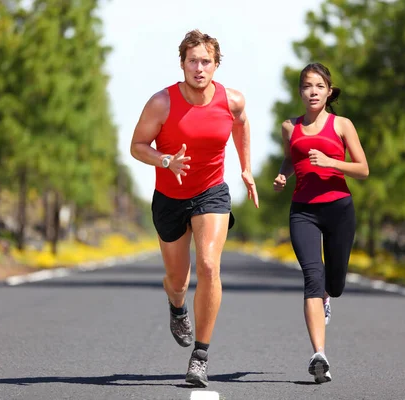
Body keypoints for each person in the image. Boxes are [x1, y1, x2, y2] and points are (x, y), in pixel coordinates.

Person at [130, 29, 259, 388]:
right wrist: (165, 159)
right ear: (182, 64)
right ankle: (176, 306)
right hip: (170, 198)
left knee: (208, 264)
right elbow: (137, 146)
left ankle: (200, 356)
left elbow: (242, 124)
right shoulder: (162, 102)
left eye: (206, 61)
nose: (199, 68)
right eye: (192, 61)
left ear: (216, 65)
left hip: (211, 193)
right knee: (177, 280)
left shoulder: (231, 100)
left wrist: (246, 167)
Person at [273, 62, 369, 384]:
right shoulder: (290, 126)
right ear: (300, 91)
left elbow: (363, 169)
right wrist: (283, 175)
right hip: (303, 211)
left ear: (329, 91)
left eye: (318, 86)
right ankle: (320, 356)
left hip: (339, 209)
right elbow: (291, 157)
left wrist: (331, 162)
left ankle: (329, 295)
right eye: (306, 86)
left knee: (335, 283)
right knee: (312, 276)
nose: (312, 92)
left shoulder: (342, 125)